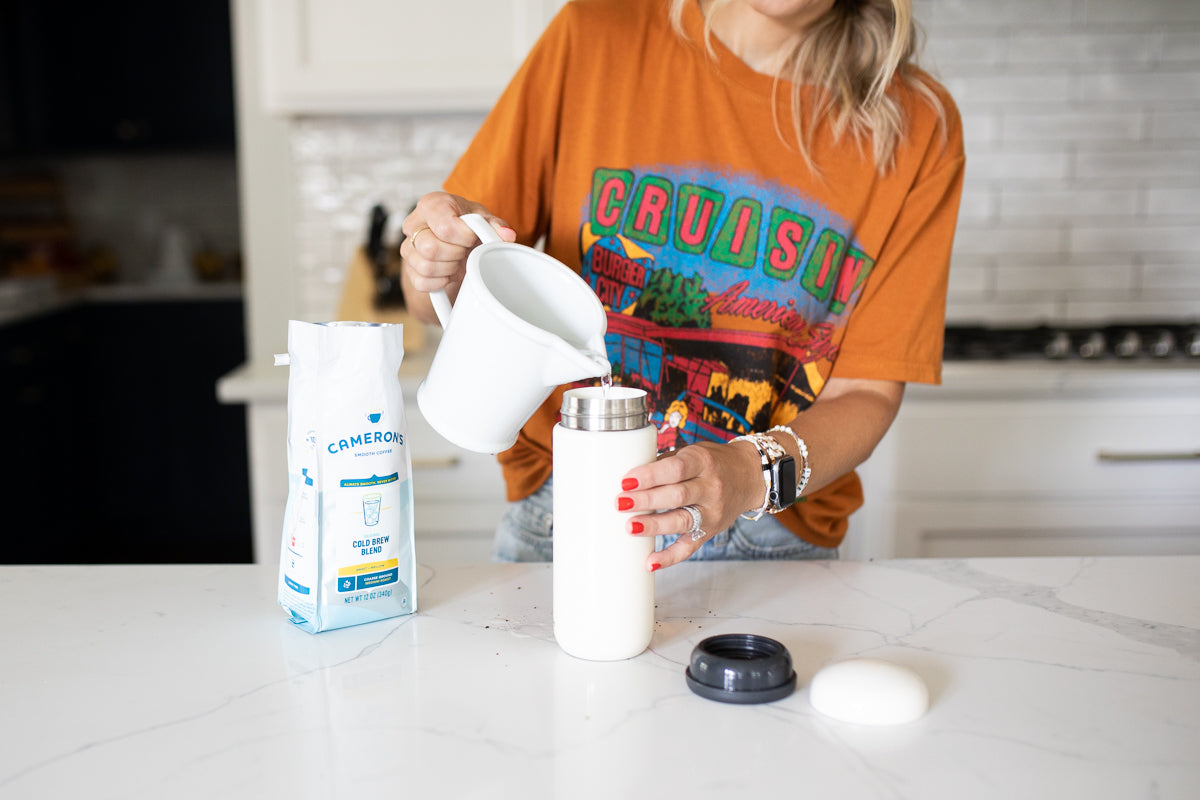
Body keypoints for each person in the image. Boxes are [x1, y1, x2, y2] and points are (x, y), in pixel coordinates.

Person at [400, 0, 965, 571]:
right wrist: (435, 260)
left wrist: (748, 474)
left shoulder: (918, 125)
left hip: (770, 532)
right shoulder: (596, 36)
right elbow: (428, 302)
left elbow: (864, 394)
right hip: (569, 509)